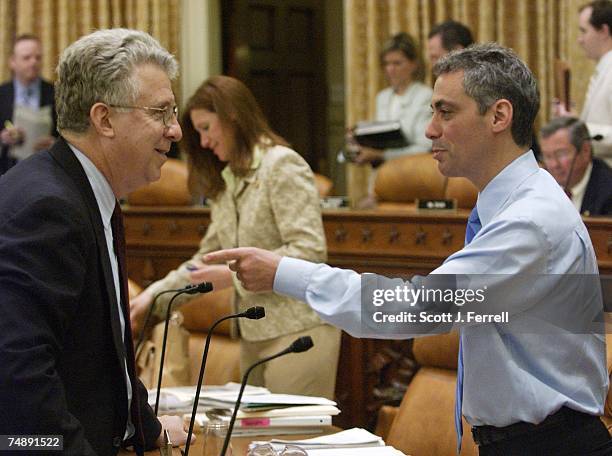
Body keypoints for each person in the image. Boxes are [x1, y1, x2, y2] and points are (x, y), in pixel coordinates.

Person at [205, 44, 611, 455]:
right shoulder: (515, 205)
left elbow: (416, 307)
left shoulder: (529, 222)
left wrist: (283, 273)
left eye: (445, 112)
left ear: (499, 116)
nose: (430, 130)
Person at [0, 29, 190, 455]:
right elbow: (18, 374)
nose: (175, 130)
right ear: (104, 119)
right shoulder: (48, 208)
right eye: (161, 112)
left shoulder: (79, 190)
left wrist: (147, 429)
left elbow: (102, 351)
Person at [130, 75, 341, 399]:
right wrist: (151, 297)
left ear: (232, 116)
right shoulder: (228, 180)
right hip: (253, 333)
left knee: (294, 444)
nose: (202, 142)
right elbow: (206, 261)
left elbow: (310, 252)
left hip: (300, 330)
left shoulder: (281, 164)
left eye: (206, 128)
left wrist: (232, 276)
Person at [352, 32, 432, 166]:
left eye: (397, 63)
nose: (390, 69)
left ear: (414, 64)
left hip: (414, 173)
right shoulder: (382, 97)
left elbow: (425, 148)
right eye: (387, 63)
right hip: (384, 174)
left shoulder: (425, 96)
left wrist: (381, 155)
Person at [554, 0, 612, 166]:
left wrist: (578, 128)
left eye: (583, 31)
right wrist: (573, 119)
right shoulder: (604, 68)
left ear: (604, 31)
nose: (580, 40)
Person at [0, 34, 57, 175]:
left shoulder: (56, 93)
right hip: (8, 173)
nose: (33, 62)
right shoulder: (2, 94)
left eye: (38, 57)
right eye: (27, 58)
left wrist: (55, 145)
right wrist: (3, 139)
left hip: (47, 172)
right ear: (13, 62)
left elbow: (69, 135)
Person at [541, 116, 612, 216]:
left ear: (585, 150)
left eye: (561, 154)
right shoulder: (541, 186)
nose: (554, 164)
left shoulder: (608, 193)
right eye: (547, 156)